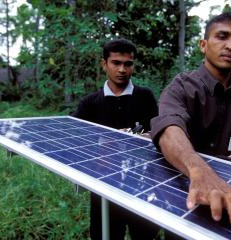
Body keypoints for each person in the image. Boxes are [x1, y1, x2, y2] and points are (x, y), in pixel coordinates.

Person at [151, 12, 231, 239]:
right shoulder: (181, 88)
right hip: (185, 194)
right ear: (203, 45)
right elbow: (169, 129)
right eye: (222, 36)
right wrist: (198, 171)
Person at [71, 38, 159, 240]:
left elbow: (159, 132)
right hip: (104, 187)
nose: (122, 69)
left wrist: (141, 136)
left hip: (141, 185)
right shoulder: (90, 103)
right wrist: (104, 142)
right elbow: (75, 139)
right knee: (105, 234)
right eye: (116, 63)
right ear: (104, 64)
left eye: (128, 64)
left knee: (145, 235)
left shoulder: (144, 97)